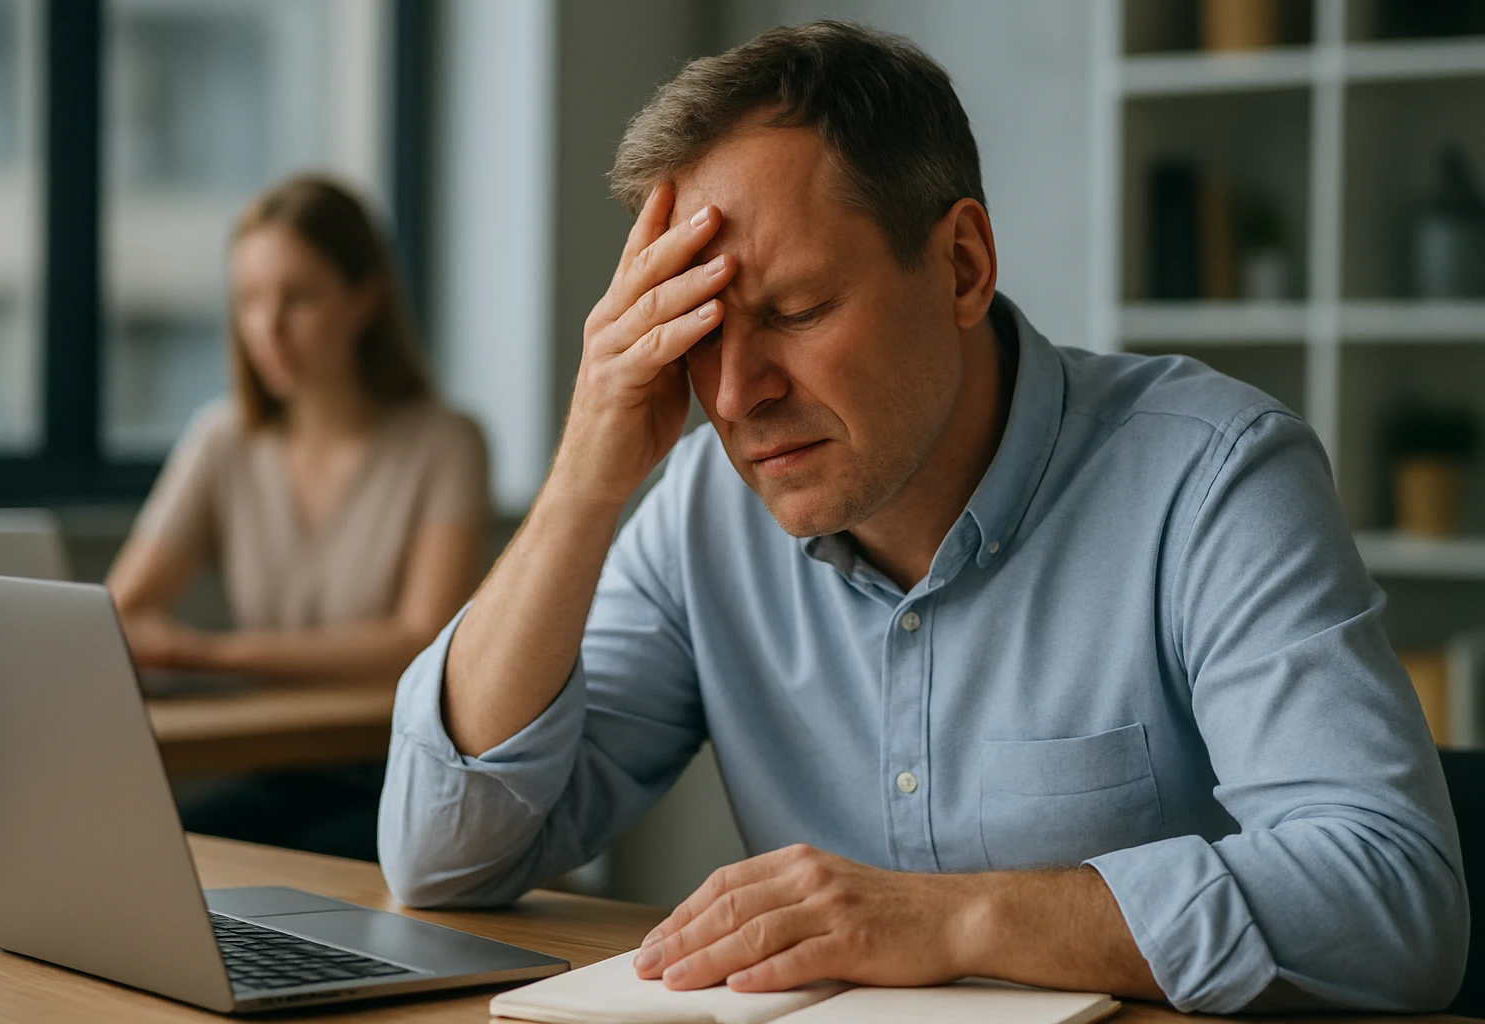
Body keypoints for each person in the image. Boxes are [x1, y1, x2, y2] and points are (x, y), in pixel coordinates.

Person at [377, 22, 1465, 1013]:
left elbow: (1394, 899)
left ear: (962, 264)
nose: (731, 393)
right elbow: (442, 855)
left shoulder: (1213, 477)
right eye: (697, 332)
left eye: (793, 312)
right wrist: (584, 479)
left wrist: (958, 916)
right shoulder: (701, 510)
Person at [110, 175, 488, 858]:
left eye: (298, 297)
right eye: (250, 301)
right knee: (143, 854)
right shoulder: (222, 439)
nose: (267, 328)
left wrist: (207, 652)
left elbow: (418, 638)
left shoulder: (446, 442)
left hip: (403, 776)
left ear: (365, 299)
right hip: (278, 772)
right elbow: (117, 615)